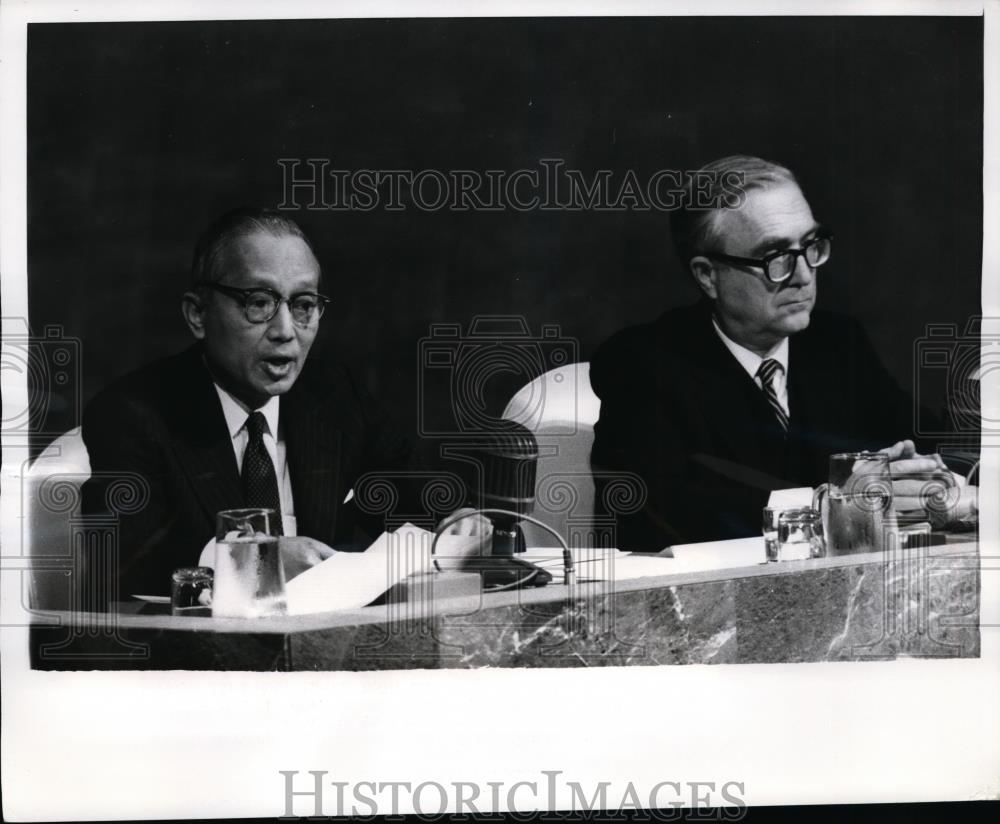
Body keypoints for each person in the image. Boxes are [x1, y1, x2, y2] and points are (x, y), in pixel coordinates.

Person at [81, 207, 477, 599]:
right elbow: (125, 562)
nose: (285, 331)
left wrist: (459, 524)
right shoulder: (132, 412)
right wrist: (253, 563)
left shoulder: (336, 395)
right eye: (258, 302)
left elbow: (419, 497)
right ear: (198, 314)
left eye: (303, 305)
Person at [590, 155, 976, 550]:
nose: (805, 275)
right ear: (708, 275)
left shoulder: (837, 344)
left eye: (811, 246)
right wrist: (838, 505)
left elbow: (919, 444)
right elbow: (663, 510)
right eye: (775, 258)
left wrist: (929, 477)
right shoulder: (642, 362)